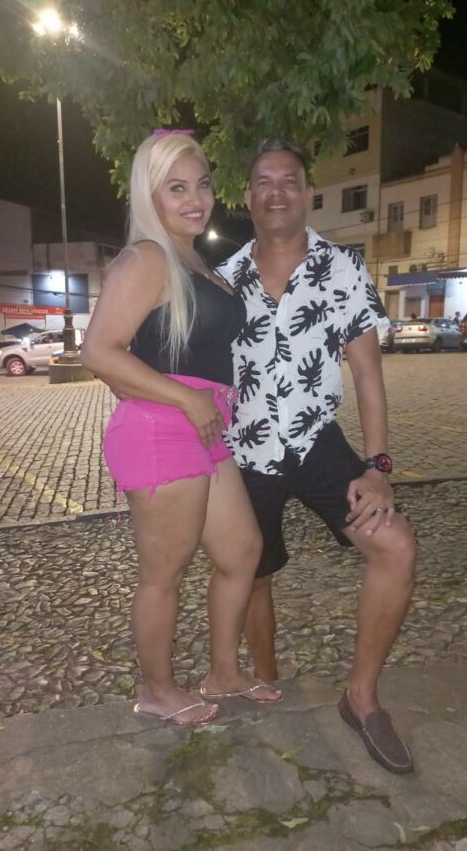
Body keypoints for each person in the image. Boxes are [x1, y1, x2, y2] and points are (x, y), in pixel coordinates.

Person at [217, 137, 417, 773]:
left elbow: (368, 376)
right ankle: (267, 681)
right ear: (247, 196)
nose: (276, 191)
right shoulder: (222, 279)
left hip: (315, 440)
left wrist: (377, 469)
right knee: (252, 573)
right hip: (244, 449)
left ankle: (361, 699)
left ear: (307, 193)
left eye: (289, 181)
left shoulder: (343, 267)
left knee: (396, 546)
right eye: (264, 181)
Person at [81, 132, 281, 727]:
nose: (196, 200)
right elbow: (99, 351)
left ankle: (223, 671)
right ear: (151, 195)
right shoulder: (147, 258)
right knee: (164, 573)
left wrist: (202, 405)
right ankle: (157, 690)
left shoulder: (193, 260)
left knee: (242, 551)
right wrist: (186, 400)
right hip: (162, 428)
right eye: (176, 188)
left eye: (202, 185)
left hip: (203, 425)